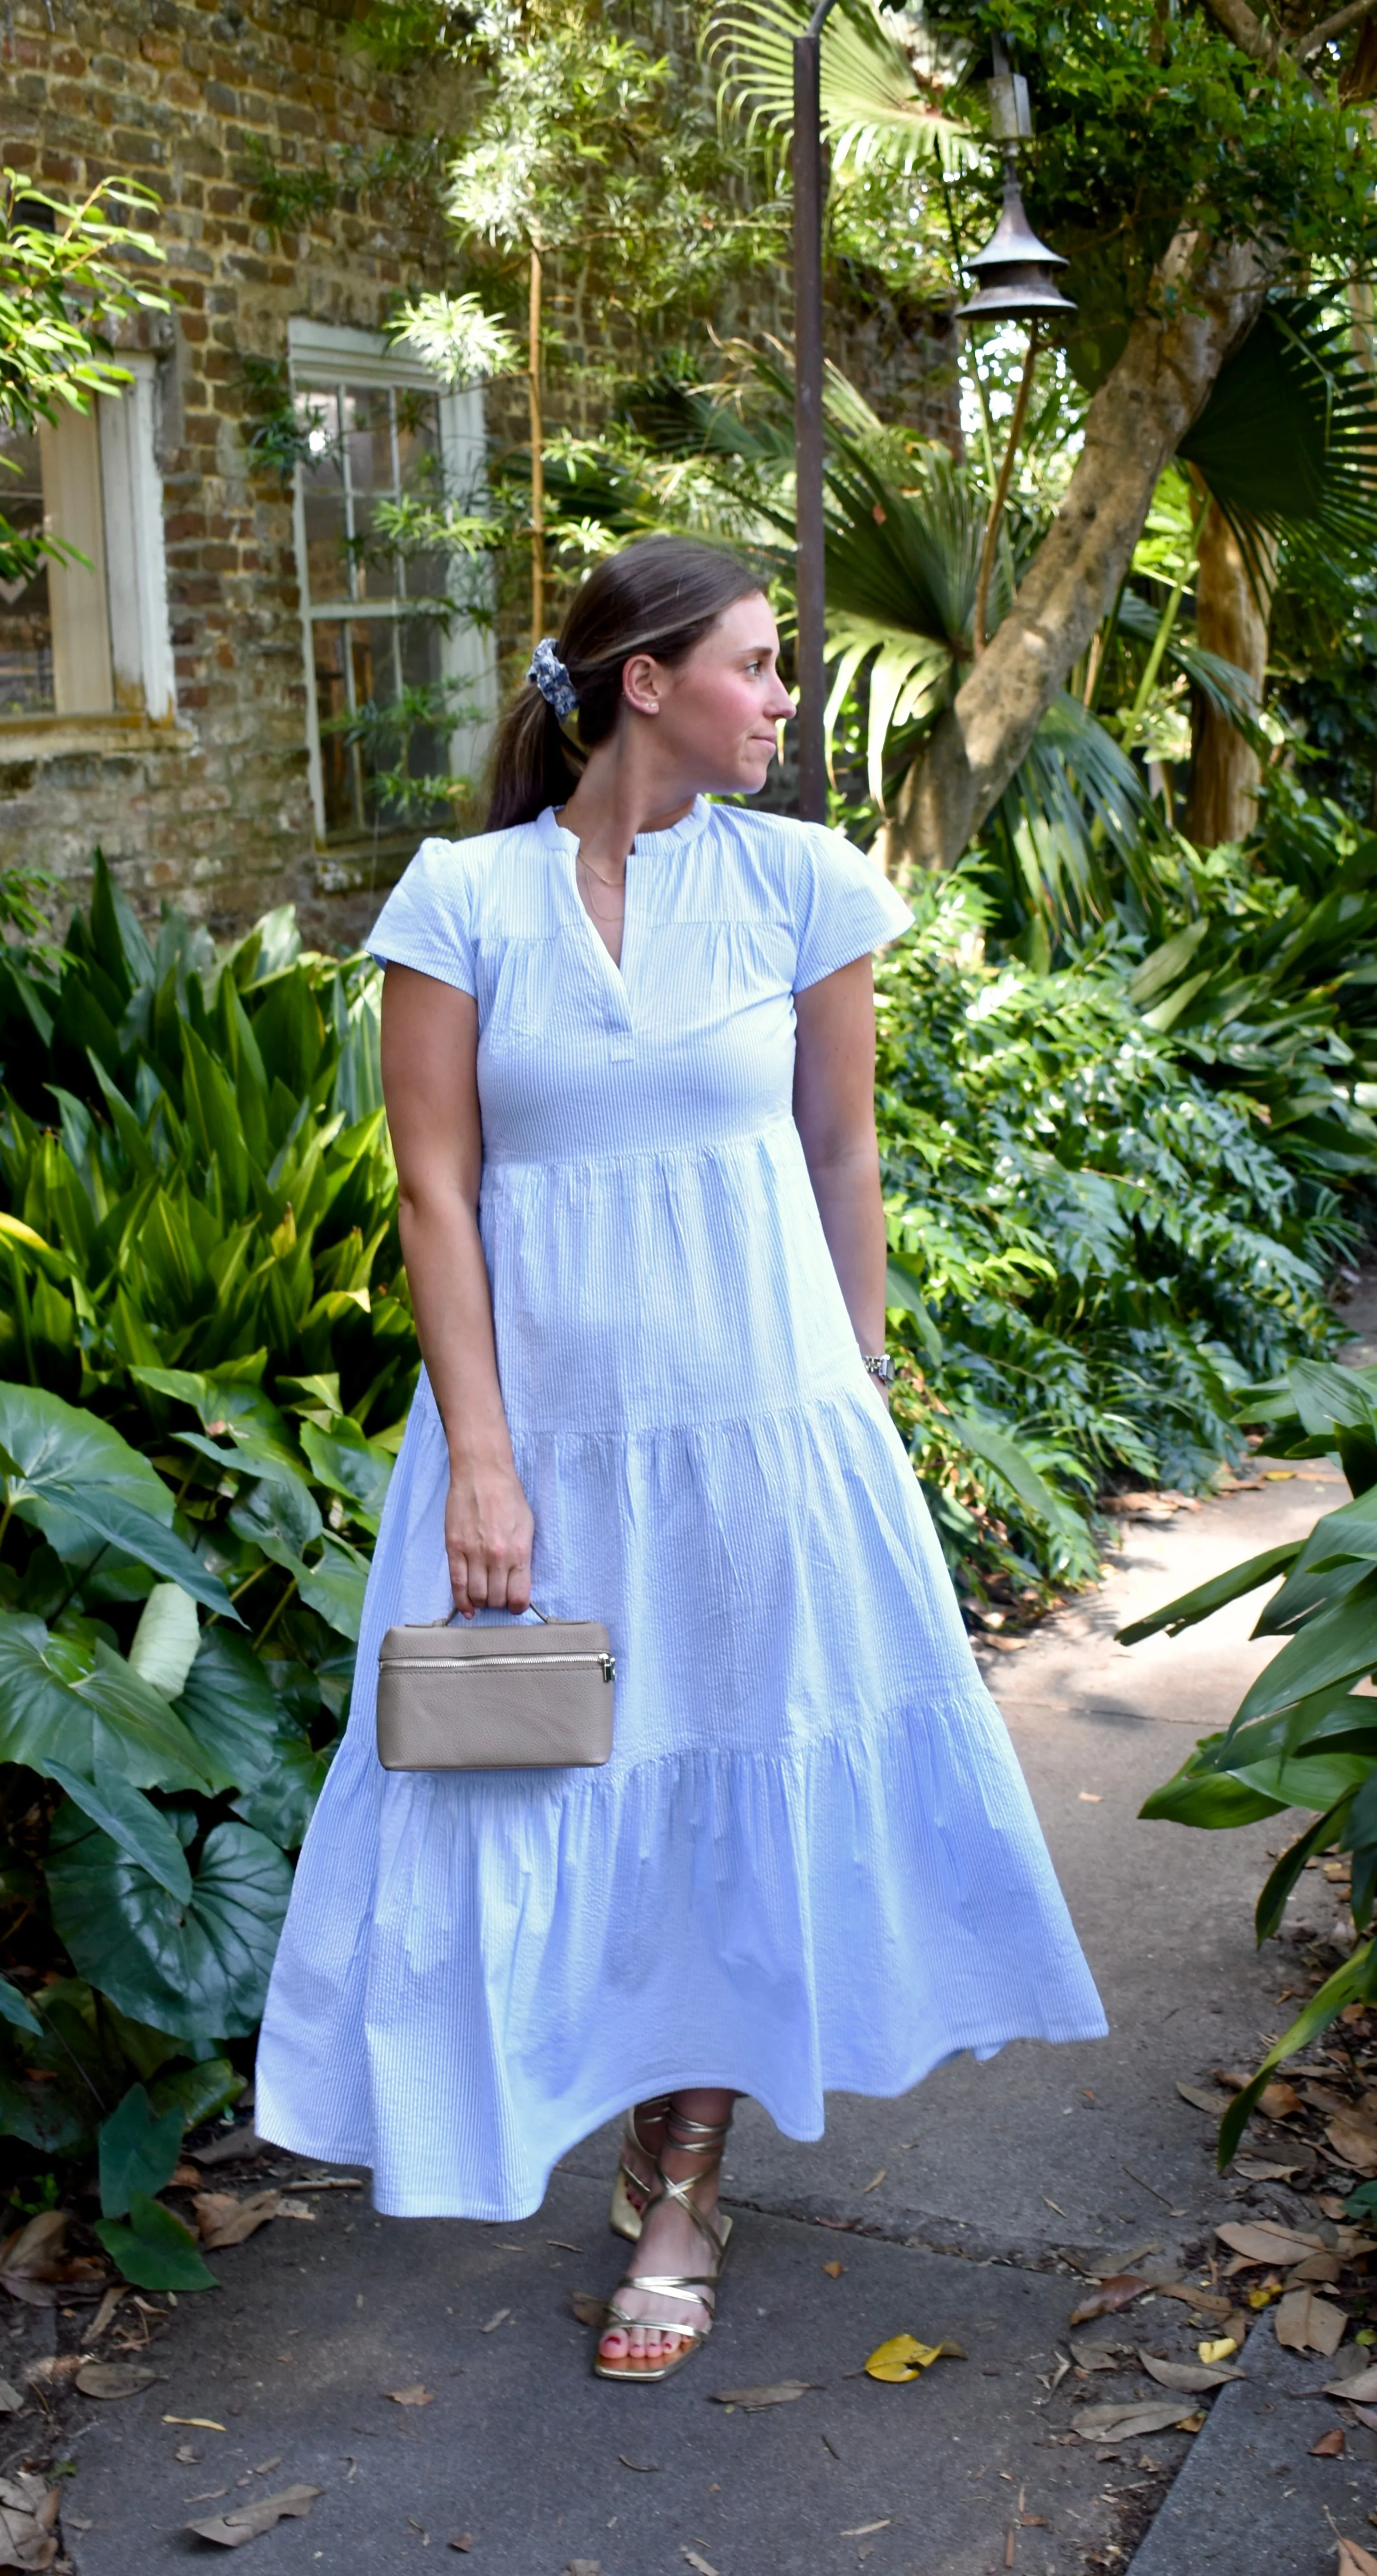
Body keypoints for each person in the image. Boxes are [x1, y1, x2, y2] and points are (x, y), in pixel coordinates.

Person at [255, 535, 1105, 2385]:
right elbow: (434, 1184)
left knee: (729, 1776)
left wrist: (858, 1400)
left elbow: (840, 1156)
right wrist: (482, 1458)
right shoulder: (459, 897)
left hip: (761, 1431)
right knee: (532, 1781)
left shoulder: (802, 881)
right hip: (543, 1447)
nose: (784, 700)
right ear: (644, 681)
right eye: (754, 665)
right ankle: (590, 2106)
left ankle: (685, 2178)